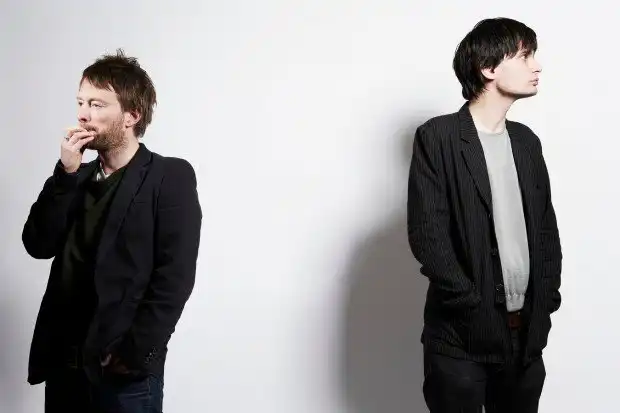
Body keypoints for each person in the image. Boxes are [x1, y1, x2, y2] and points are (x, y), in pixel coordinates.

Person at [22, 49, 202, 413]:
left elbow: (175, 276)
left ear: (132, 115)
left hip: (122, 375)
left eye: (97, 104)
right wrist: (66, 174)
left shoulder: (169, 177)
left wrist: (136, 352)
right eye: (81, 102)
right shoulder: (73, 178)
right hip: (64, 368)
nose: (82, 114)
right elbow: (38, 244)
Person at [407, 18, 562, 412]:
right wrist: (471, 304)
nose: (537, 66)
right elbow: (428, 235)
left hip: (524, 338)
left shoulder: (526, 142)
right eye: (525, 56)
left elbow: (546, 231)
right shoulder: (438, 137)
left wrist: (546, 300)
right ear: (488, 68)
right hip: (461, 338)